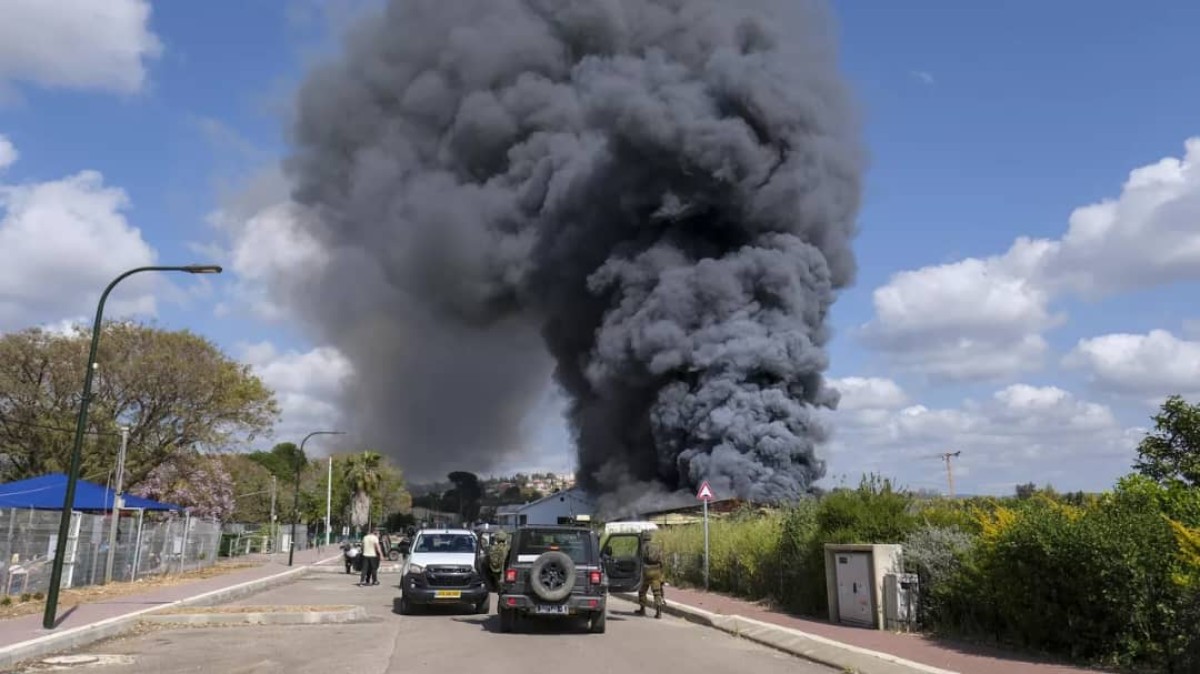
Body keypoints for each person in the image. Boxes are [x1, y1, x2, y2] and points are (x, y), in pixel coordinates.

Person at [635, 530, 665, 619]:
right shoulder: (657, 547)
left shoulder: (641, 547)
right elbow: (662, 561)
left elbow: (638, 560)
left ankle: (642, 609)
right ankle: (658, 612)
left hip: (645, 572)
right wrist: (661, 573)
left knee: (642, 591)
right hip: (656, 572)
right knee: (657, 592)